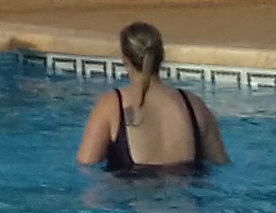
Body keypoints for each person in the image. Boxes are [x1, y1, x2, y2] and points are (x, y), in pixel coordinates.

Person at [75, 22, 228, 174]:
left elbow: (86, 165)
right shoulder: (194, 105)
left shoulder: (110, 105)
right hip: (183, 194)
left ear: (125, 60)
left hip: (131, 195)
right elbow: (221, 164)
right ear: (161, 55)